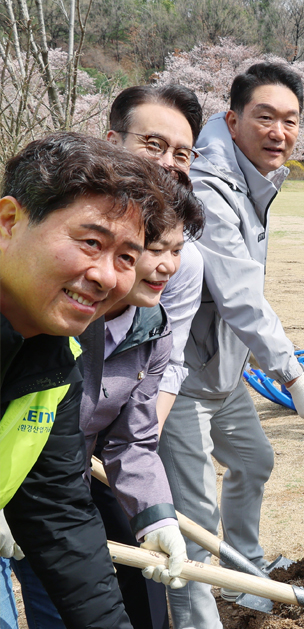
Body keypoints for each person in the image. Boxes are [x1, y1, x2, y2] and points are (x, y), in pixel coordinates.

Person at [157, 62, 304, 629]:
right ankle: (198, 618)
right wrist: (293, 376)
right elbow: (238, 295)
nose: (279, 132)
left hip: (223, 369)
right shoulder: (211, 184)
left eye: (290, 120)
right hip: (181, 377)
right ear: (233, 121)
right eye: (264, 117)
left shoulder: (249, 175)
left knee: (254, 460)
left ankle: (246, 571)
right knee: (192, 514)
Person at [11, 170, 203, 629]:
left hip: (56, 497)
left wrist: (158, 520)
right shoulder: (55, 314)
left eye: (177, 251)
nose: (168, 266)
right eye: (155, 251)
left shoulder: (153, 330)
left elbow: (132, 441)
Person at [106, 84, 207, 434]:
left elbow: (168, 361)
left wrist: (141, 441)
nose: (167, 163)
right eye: (153, 145)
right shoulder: (65, 231)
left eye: (182, 154)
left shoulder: (183, 261)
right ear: (112, 142)